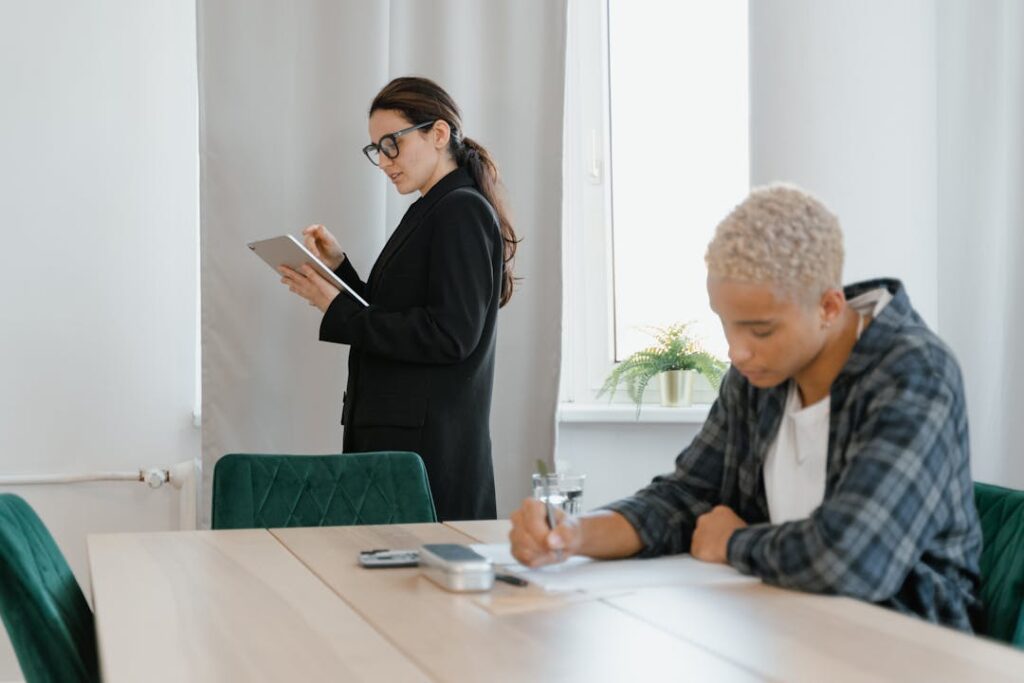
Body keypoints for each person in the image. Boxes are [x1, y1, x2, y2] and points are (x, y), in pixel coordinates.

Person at [509, 184, 982, 631]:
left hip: (903, 645)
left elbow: (854, 559)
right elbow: (687, 497)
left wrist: (733, 542)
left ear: (830, 307)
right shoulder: (761, 375)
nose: (737, 352)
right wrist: (573, 535)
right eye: (727, 324)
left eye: (760, 330)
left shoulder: (915, 373)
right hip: (782, 624)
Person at [279, 76, 518, 521]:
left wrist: (335, 307)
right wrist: (339, 269)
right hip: (401, 446)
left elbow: (449, 336)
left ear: (438, 134)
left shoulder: (460, 209)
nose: (384, 161)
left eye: (393, 144)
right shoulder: (433, 208)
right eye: (376, 150)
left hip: (426, 454)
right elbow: (397, 315)